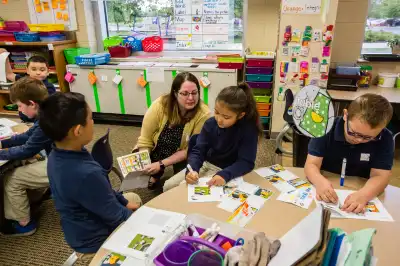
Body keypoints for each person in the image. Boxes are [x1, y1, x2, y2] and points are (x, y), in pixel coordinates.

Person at [39, 92, 142, 264]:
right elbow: (116, 217)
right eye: (90, 118)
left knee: (133, 198)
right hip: (96, 242)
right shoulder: (85, 173)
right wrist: (142, 222)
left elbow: (106, 192)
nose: (93, 122)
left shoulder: (60, 153)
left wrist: (125, 203)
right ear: (78, 130)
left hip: (79, 227)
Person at [305, 93, 394, 214]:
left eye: (368, 138)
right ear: (345, 115)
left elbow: (381, 176)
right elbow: (311, 164)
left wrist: (364, 195)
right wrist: (320, 182)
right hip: (327, 182)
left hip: (360, 186)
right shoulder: (325, 128)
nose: (359, 140)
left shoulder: (385, 138)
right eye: (353, 133)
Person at [164, 82, 262, 190]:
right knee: (168, 186)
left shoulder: (248, 130)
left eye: (226, 117)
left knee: (186, 192)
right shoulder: (210, 124)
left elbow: (246, 162)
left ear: (240, 115)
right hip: (207, 164)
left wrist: (225, 174)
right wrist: (192, 170)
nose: (219, 119)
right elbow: (198, 150)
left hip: (230, 170)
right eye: (216, 112)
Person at [135, 72, 210, 191]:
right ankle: (155, 174)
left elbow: (191, 149)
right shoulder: (159, 105)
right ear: (175, 94)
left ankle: (162, 168)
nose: (191, 98)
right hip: (158, 147)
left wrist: (161, 164)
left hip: (183, 153)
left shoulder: (204, 113)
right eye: (185, 94)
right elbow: (145, 138)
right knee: (143, 163)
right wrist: (145, 162)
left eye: (194, 93)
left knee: (182, 183)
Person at [0, 77, 52, 236]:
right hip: (64, 159)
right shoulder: (48, 112)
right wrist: (3, 143)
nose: (19, 111)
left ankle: (24, 224)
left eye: (20, 106)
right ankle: (35, 197)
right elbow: (28, 136)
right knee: (23, 163)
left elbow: (26, 150)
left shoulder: (45, 122)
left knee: (11, 179)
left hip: (63, 166)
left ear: (32, 103)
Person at [0, 49, 56, 122]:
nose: (38, 73)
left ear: (48, 72)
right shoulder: (24, 81)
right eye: (34, 69)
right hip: (24, 120)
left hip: (40, 122)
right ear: (27, 70)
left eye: (42, 70)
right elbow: (9, 75)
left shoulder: (49, 87)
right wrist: (6, 57)